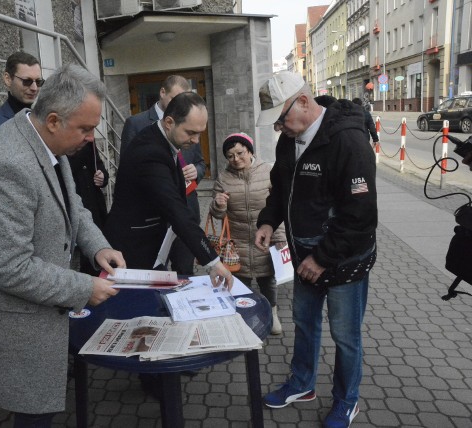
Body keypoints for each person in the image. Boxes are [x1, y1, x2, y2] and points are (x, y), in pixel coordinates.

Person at [0, 64, 125, 428]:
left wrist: (98, 246)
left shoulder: (44, 141)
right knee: (35, 416)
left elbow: (73, 206)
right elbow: (10, 268)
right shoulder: (7, 164)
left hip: (43, 317)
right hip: (18, 328)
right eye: (85, 129)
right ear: (53, 120)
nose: (90, 138)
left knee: (44, 409)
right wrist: (85, 286)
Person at [254, 71, 377, 428]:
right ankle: (303, 383)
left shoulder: (349, 141)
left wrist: (321, 259)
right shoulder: (289, 140)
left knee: (345, 335)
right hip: (304, 255)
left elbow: (360, 217)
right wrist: (266, 220)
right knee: (305, 323)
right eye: (275, 122)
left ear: (304, 102)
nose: (279, 127)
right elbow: (281, 189)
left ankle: (346, 401)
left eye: (281, 118)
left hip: (342, 259)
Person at [105, 91, 233, 289]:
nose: (196, 141)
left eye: (200, 133)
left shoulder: (161, 140)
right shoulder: (151, 153)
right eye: (190, 133)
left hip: (152, 245)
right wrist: (213, 262)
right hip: (134, 251)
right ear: (169, 122)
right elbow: (175, 208)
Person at [120, 75, 206, 275]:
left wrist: (197, 171)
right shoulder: (137, 125)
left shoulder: (191, 125)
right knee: (156, 275)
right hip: (153, 220)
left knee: (185, 273)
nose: (195, 139)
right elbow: (129, 170)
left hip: (185, 211)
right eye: (175, 97)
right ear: (162, 93)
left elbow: (200, 162)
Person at [209, 132, 287, 335]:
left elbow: (279, 207)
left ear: (250, 151)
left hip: (265, 239)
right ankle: (244, 315)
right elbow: (217, 214)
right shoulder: (223, 178)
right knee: (241, 282)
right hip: (238, 241)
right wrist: (218, 205)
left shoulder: (268, 172)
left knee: (267, 280)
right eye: (230, 155)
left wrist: (279, 237)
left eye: (240, 153)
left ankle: (272, 313)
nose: (236, 159)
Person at [0, 51, 43, 155]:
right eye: (27, 81)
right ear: (8, 79)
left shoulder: (42, 120)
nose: (34, 88)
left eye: (38, 82)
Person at [68, 141, 109, 275]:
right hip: (76, 203)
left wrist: (103, 176)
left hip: (93, 204)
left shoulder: (87, 139)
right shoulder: (64, 147)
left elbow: (97, 163)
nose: (90, 135)